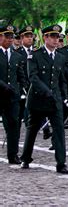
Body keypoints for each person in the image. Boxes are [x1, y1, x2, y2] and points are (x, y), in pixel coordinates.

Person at [20, 24, 68, 174]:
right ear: (45, 38)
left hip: (54, 100)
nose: (56, 40)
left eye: (58, 37)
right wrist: (46, 91)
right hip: (38, 99)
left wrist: (65, 96)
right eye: (53, 37)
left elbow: (61, 79)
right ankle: (25, 158)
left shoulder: (60, 57)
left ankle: (61, 163)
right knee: (33, 129)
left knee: (59, 130)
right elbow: (33, 77)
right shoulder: (34, 55)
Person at [0, 25, 25, 164]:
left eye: (11, 37)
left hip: (12, 97)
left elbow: (20, 76)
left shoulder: (17, 56)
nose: (10, 39)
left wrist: (24, 90)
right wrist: (4, 86)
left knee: (14, 125)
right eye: (7, 36)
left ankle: (13, 154)